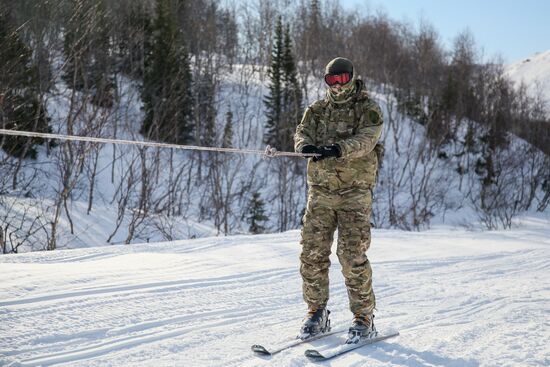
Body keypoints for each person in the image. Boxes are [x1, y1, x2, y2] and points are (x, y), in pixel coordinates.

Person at [294, 57, 383, 343]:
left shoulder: (367, 109)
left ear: (352, 78)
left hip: (354, 193)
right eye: (331, 80)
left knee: (351, 255)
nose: (337, 85)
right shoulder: (317, 110)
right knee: (312, 253)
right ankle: (316, 311)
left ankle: (363, 316)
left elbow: (367, 140)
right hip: (321, 191)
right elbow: (301, 132)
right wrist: (304, 146)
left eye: (342, 79)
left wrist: (337, 149)